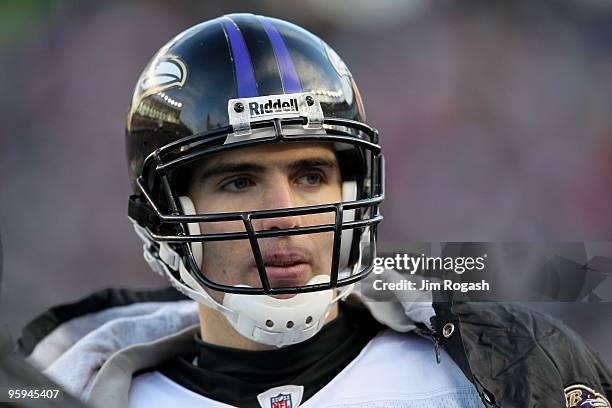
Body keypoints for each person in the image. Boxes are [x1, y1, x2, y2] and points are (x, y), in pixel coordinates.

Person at [18, 14, 611, 408]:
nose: (285, 212)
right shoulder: (72, 393)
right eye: (240, 180)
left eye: (310, 175)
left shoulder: (507, 366)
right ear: (164, 215)